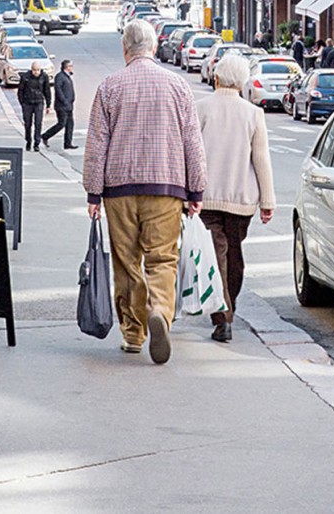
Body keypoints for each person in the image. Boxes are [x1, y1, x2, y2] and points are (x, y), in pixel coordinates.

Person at [83, 18, 207, 364]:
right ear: (153, 48)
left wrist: (93, 194)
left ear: (125, 49)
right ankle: (160, 311)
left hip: (118, 189)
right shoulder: (178, 86)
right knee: (162, 258)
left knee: (126, 262)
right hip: (166, 187)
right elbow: (192, 142)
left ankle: (134, 334)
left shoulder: (110, 86)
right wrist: (196, 189)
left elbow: (96, 145)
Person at [197, 52, 275, 343]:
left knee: (216, 257)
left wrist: (186, 192)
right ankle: (227, 313)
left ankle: (223, 316)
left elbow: (191, 155)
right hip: (242, 200)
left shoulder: (201, 108)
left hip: (205, 199)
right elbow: (261, 158)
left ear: (216, 77)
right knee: (234, 256)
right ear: (242, 82)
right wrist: (267, 201)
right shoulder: (253, 113)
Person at [42, 59, 76, 150]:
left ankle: (68, 143)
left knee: (70, 124)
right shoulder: (60, 76)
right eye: (71, 66)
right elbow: (58, 90)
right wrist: (64, 101)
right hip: (62, 106)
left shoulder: (67, 76)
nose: (72, 68)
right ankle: (45, 136)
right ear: (66, 67)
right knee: (61, 124)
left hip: (69, 105)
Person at [18, 60, 51, 151]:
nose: (36, 72)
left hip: (39, 102)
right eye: (34, 70)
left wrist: (48, 104)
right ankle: (28, 140)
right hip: (27, 103)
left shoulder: (44, 77)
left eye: (37, 70)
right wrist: (22, 103)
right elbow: (20, 90)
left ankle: (37, 143)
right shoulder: (25, 77)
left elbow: (47, 91)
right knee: (28, 124)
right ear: (31, 69)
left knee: (38, 123)